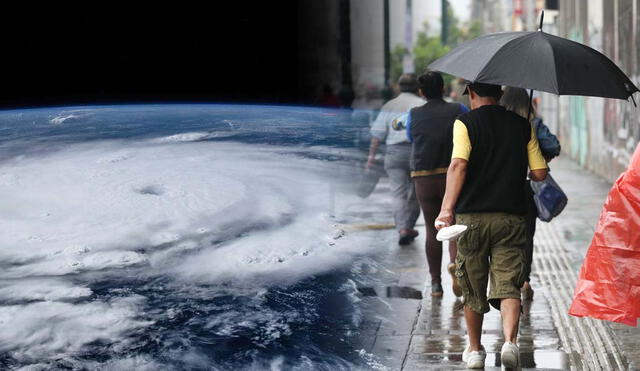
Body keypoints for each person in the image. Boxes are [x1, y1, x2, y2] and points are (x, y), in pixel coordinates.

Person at [435, 82, 548, 369]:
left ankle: (474, 351)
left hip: (471, 218)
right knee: (509, 282)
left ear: (472, 94)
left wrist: (446, 210)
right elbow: (539, 173)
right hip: (511, 217)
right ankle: (510, 342)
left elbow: (458, 165)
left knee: (472, 284)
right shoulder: (523, 125)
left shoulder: (465, 123)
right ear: (499, 94)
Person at [407, 71, 469, 297]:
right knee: (454, 223)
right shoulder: (458, 110)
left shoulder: (413, 114)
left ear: (421, 92)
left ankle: (435, 284)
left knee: (432, 231)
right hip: (451, 175)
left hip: (423, 177)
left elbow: (411, 137)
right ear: (443, 89)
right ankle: (454, 264)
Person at [500, 87, 561, 301]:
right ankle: (524, 280)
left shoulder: (499, 123)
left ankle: (506, 280)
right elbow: (553, 145)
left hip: (502, 187)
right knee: (526, 236)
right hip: (527, 186)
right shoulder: (532, 124)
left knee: (505, 237)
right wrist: (541, 158)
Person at [367, 74, 424, 245]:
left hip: (394, 152)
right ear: (416, 88)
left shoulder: (389, 105)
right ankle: (409, 225)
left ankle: (402, 228)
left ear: (398, 87)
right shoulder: (422, 104)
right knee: (415, 192)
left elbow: (377, 135)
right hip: (417, 151)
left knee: (398, 193)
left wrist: (371, 157)